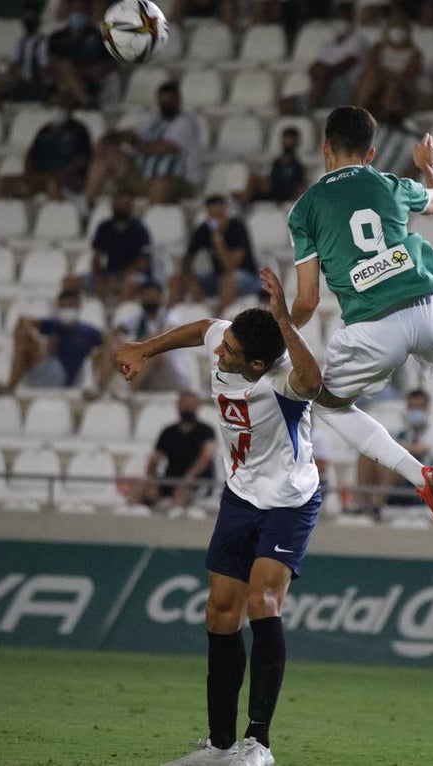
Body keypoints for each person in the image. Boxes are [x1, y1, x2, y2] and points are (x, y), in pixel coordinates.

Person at [115, 267, 321, 766]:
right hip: (239, 497)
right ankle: (221, 747)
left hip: (288, 502)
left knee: (263, 602)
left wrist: (285, 322)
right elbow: (202, 325)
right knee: (218, 612)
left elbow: (313, 378)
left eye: (228, 350)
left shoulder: (283, 386)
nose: (217, 351)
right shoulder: (225, 341)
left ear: (256, 363)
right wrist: (145, 348)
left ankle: (258, 744)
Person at [289, 107, 433, 528]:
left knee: (329, 406)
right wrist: (431, 168)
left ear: (324, 147)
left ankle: (421, 475)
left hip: (372, 327)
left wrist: (279, 328)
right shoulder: (392, 184)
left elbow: (306, 301)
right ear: (372, 153)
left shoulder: (305, 210)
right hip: (426, 304)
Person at [85, 81, 205, 205]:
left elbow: (162, 148)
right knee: (107, 156)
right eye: (162, 101)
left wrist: (134, 142)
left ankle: (152, 219)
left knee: (160, 183)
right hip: (143, 175)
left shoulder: (186, 122)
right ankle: (89, 207)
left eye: (169, 101)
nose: (166, 105)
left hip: (177, 180)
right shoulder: (152, 120)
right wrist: (112, 138)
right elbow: (129, 135)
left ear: (178, 101)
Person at [0, 288, 107, 395]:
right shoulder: (54, 324)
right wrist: (43, 344)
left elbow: (107, 342)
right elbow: (24, 320)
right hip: (44, 370)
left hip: (64, 377)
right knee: (23, 333)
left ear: (79, 306)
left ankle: (10, 387)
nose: (68, 310)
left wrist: (95, 358)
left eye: (71, 305)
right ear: (59, 307)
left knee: (26, 340)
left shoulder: (87, 332)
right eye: (64, 306)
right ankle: (11, 385)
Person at [96, 281, 198, 394]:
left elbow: (161, 338)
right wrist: (117, 344)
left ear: (161, 298)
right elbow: (112, 333)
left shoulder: (171, 316)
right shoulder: (138, 318)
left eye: (153, 296)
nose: (150, 299)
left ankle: (129, 392)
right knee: (111, 348)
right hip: (148, 376)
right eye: (146, 296)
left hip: (171, 375)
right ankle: (99, 391)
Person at [349, 389, 433, 518]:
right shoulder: (403, 432)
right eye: (411, 407)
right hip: (398, 479)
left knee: (393, 463)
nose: (414, 411)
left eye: (418, 407)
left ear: (426, 409)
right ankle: (362, 504)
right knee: (366, 455)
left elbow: (420, 450)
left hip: (422, 481)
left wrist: (393, 447)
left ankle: (377, 506)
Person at [172, 195, 261, 317]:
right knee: (181, 279)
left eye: (219, 215)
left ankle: (220, 319)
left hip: (246, 278)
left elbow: (230, 266)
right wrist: (186, 277)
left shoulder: (237, 228)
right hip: (217, 277)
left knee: (228, 279)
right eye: (212, 216)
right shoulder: (203, 229)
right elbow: (188, 257)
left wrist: (219, 244)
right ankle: (196, 315)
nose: (215, 220)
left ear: (225, 211)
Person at [139, 391, 218, 511]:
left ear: (197, 407)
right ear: (178, 405)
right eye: (185, 404)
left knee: (181, 494)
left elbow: (206, 458)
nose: (187, 407)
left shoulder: (206, 431)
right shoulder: (168, 431)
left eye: (191, 404)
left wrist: (187, 479)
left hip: (197, 482)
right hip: (171, 480)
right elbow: (154, 459)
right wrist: (153, 480)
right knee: (139, 489)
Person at [0, 108, 92, 200]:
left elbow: (82, 160)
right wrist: (30, 176)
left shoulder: (79, 130)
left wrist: (60, 175)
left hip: (67, 177)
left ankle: (56, 215)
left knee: (52, 183)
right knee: (1, 182)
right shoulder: (44, 130)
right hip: (40, 176)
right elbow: (30, 155)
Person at [46, 0, 115, 109]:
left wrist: (93, 70)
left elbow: (111, 62)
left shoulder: (98, 37)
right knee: (64, 77)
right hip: (63, 81)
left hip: (89, 80)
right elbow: (51, 63)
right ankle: (86, 101)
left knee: (65, 69)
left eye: (81, 9)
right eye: (74, 9)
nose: (77, 12)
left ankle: (82, 100)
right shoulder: (57, 37)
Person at [353, 14, 423, 120]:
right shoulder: (378, 47)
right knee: (370, 77)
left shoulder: (415, 53)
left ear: (407, 32)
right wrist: (389, 74)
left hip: (401, 86)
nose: (397, 32)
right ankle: (358, 113)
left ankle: (387, 120)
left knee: (392, 85)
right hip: (379, 81)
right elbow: (373, 66)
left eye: (401, 29)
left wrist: (388, 75)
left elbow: (407, 74)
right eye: (395, 28)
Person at [89, 191, 153, 303]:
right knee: (71, 282)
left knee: (129, 283)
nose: (121, 206)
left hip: (134, 275)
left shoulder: (140, 230)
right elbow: (96, 257)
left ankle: (120, 314)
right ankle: (97, 312)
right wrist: (100, 277)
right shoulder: (104, 227)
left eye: (125, 203)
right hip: (109, 274)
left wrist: (118, 277)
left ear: (131, 206)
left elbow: (143, 263)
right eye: (118, 203)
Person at [304, 2, 366, 111]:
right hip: (323, 88)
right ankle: (313, 103)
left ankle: (312, 104)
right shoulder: (327, 46)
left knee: (323, 75)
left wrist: (323, 72)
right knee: (286, 103)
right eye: (338, 17)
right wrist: (321, 72)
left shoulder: (357, 40)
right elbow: (313, 69)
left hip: (346, 86)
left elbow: (346, 65)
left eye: (345, 18)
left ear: (352, 20)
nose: (341, 22)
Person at [234, 127, 307, 207]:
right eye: (285, 139)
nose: (287, 142)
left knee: (253, 180)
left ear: (296, 142)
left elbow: (299, 186)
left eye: (290, 139)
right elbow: (272, 177)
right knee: (253, 177)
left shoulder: (297, 165)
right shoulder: (277, 161)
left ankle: (242, 201)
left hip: (284, 195)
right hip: (273, 191)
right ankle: (243, 200)